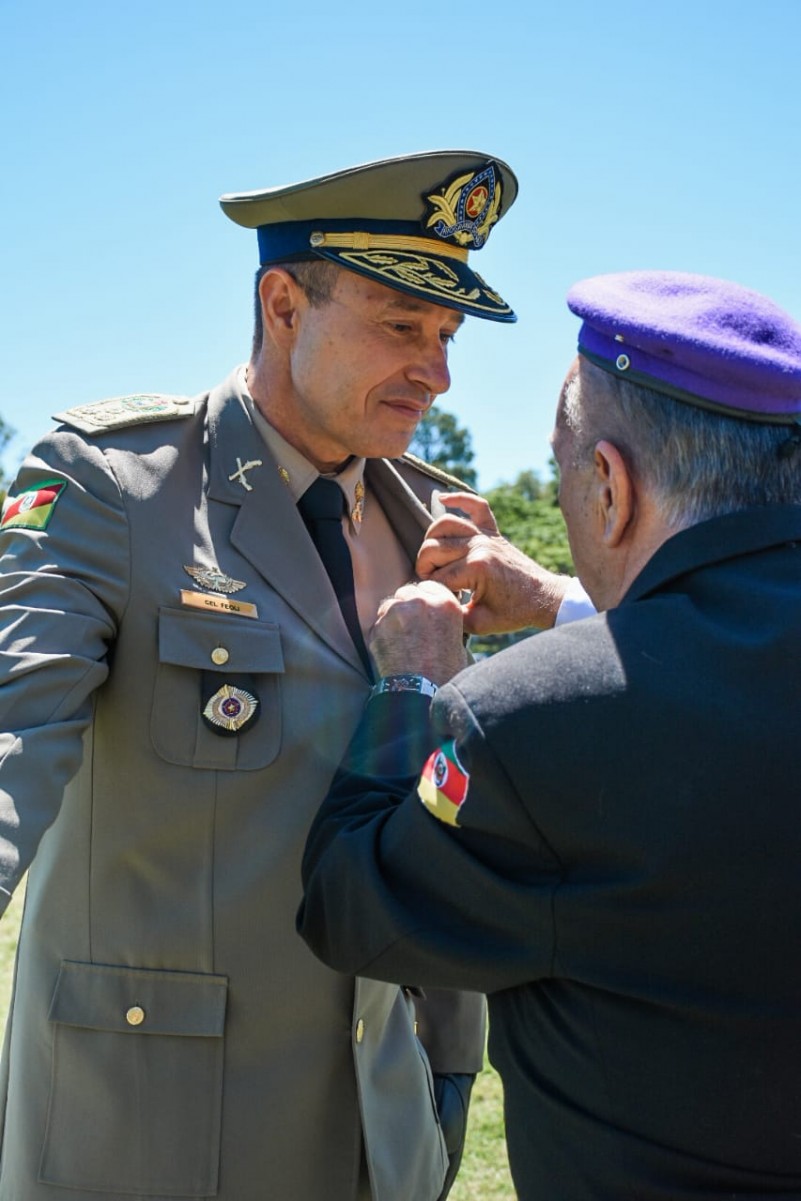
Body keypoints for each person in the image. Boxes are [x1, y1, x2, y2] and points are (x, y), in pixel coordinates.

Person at [0, 151, 523, 1201]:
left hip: (383, 1122)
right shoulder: (111, 485)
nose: (439, 372)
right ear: (284, 302)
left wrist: (452, 1052)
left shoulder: (441, 522)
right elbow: (13, 729)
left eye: (447, 338)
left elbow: (437, 799)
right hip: (146, 1127)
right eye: (401, 326)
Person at [299, 270, 801, 1199]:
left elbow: (351, 902)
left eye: (565, 470)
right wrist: (557, 604)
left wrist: (408, 683)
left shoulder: (530, 722)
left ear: (608, 485)